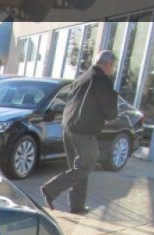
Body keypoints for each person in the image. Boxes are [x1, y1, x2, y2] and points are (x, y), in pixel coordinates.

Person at [41, 50, 119, 214]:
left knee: (77, 169)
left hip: (68, 128)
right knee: (84, 168)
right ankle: (50, 189)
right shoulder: (101, 80)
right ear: (108, 64)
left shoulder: (82, 78)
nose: (112, 69)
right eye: (113, 66)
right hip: (84, 131)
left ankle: (77, 207)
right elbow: (110, 111)